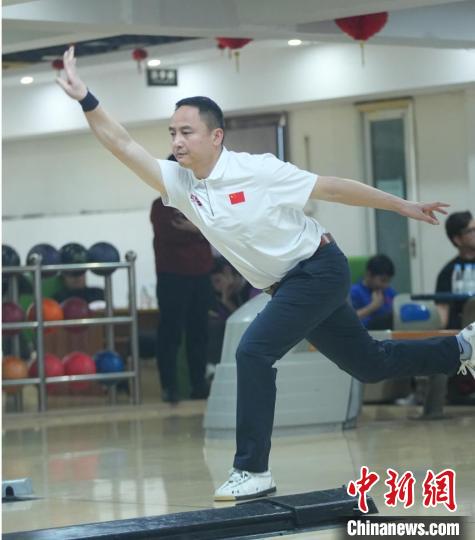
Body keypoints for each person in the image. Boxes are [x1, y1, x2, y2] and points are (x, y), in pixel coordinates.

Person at [57, 46, 475, 502]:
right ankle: (461, 348)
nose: (176, 141)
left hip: (318, 269)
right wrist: (86, 98)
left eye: (186, 132)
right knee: (369, 365)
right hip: (287, 285)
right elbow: (121, 143)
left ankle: (252, 469)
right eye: (172, 132)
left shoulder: (257, 170)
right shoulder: (178, 183)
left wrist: (400, 205)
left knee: (254, 351)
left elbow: (332, 188)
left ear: (216, 136)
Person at [151, 156, 214, 403]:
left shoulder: (202, 201)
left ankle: (199, 385)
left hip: (201, 276)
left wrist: (196, 228)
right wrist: (201, 230)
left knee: (200, 333)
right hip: (172, 277)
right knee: (170, 333)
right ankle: (169, 387)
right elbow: (173, 232)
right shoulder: (161, 205)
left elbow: (215, 227)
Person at [436, 211, 475, 329]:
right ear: (457, 239)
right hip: (460, 332)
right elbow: (442, 313)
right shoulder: (448, 272)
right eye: (471, 231)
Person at [350, 254, 396, 330]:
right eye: (383, 280)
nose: (386, 285)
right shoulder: (355, 292)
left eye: (388, 281)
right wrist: (373, 306)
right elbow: (348, 320)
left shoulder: (388, 291)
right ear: (369, 275)